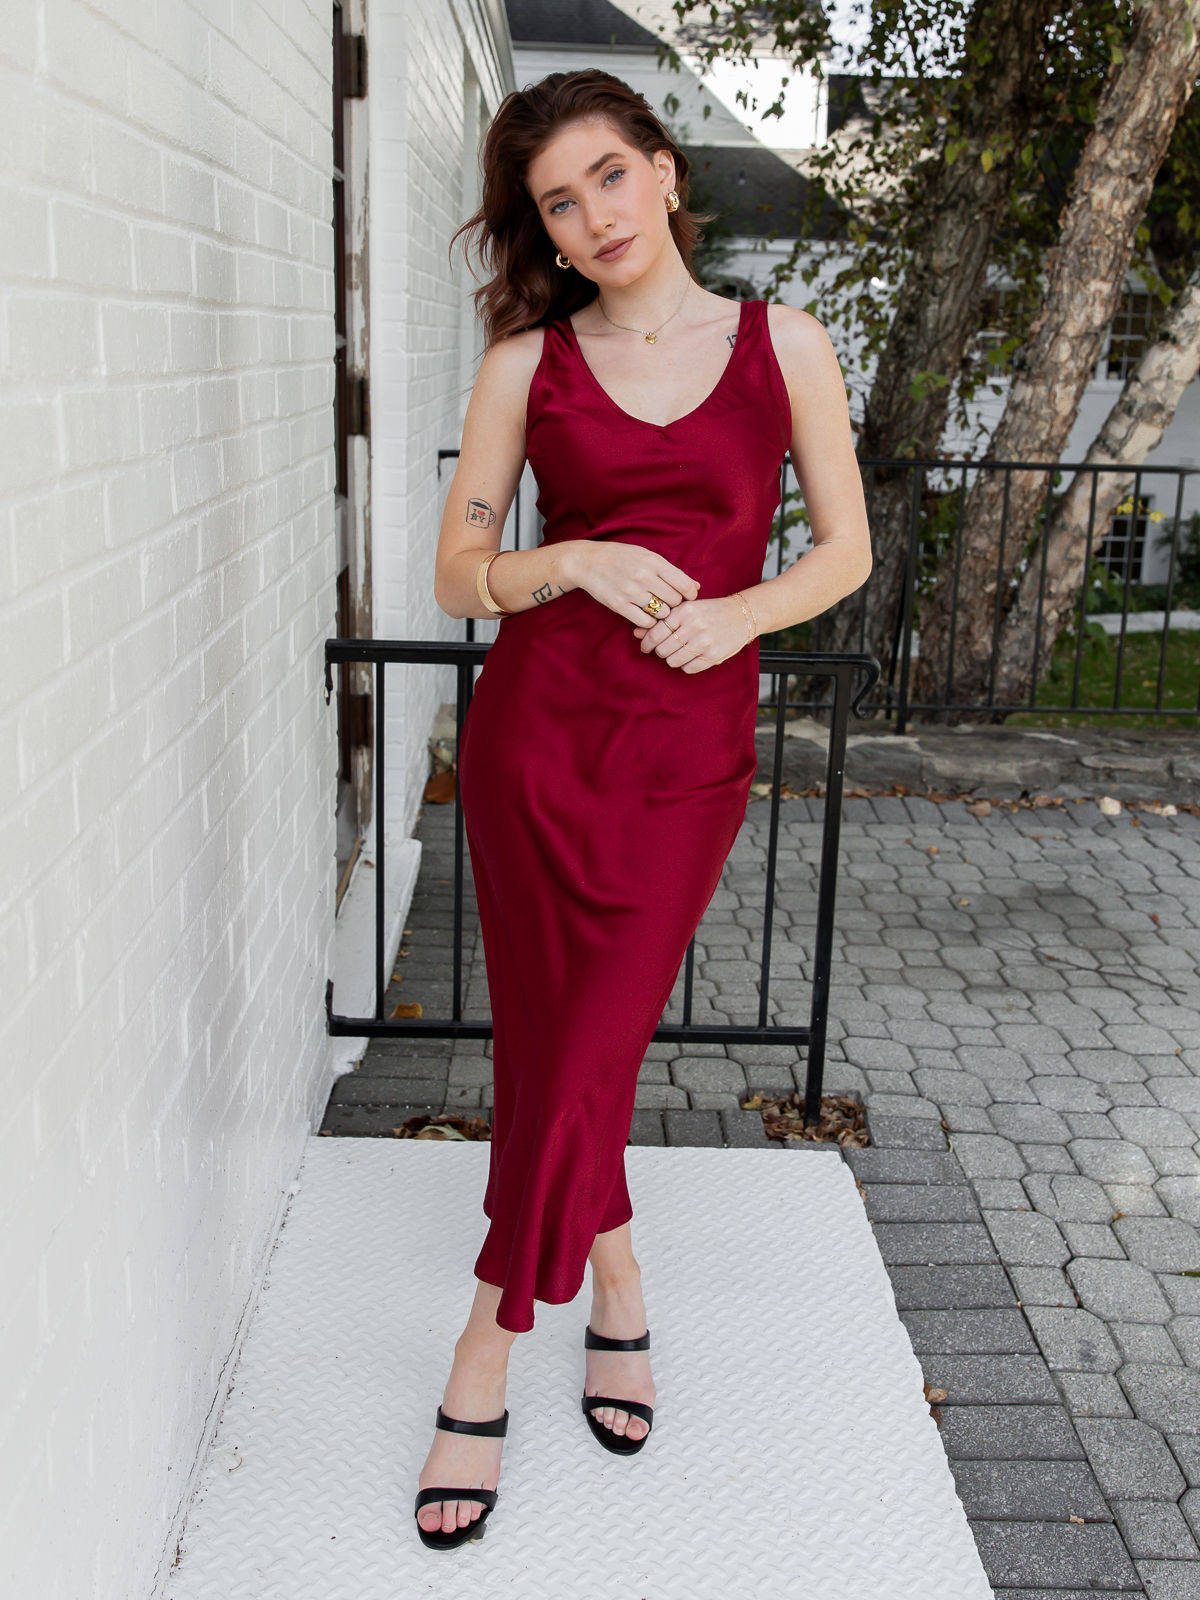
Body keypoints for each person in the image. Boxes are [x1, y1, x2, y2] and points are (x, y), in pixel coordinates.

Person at [415, 67, 872, 1549]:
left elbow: (847, 554)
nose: (592, 214)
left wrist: (738, 615)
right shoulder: (522, 368)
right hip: (538, 744)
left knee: (589, 1037)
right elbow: (461, 574)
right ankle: (593, 1291)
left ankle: (487, 1342)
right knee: (564, 1047)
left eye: (610, 175)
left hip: (685, 751)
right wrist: (576, 563)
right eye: (559, 199)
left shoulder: (781, 343)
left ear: (668, 173)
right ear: (542, 228)